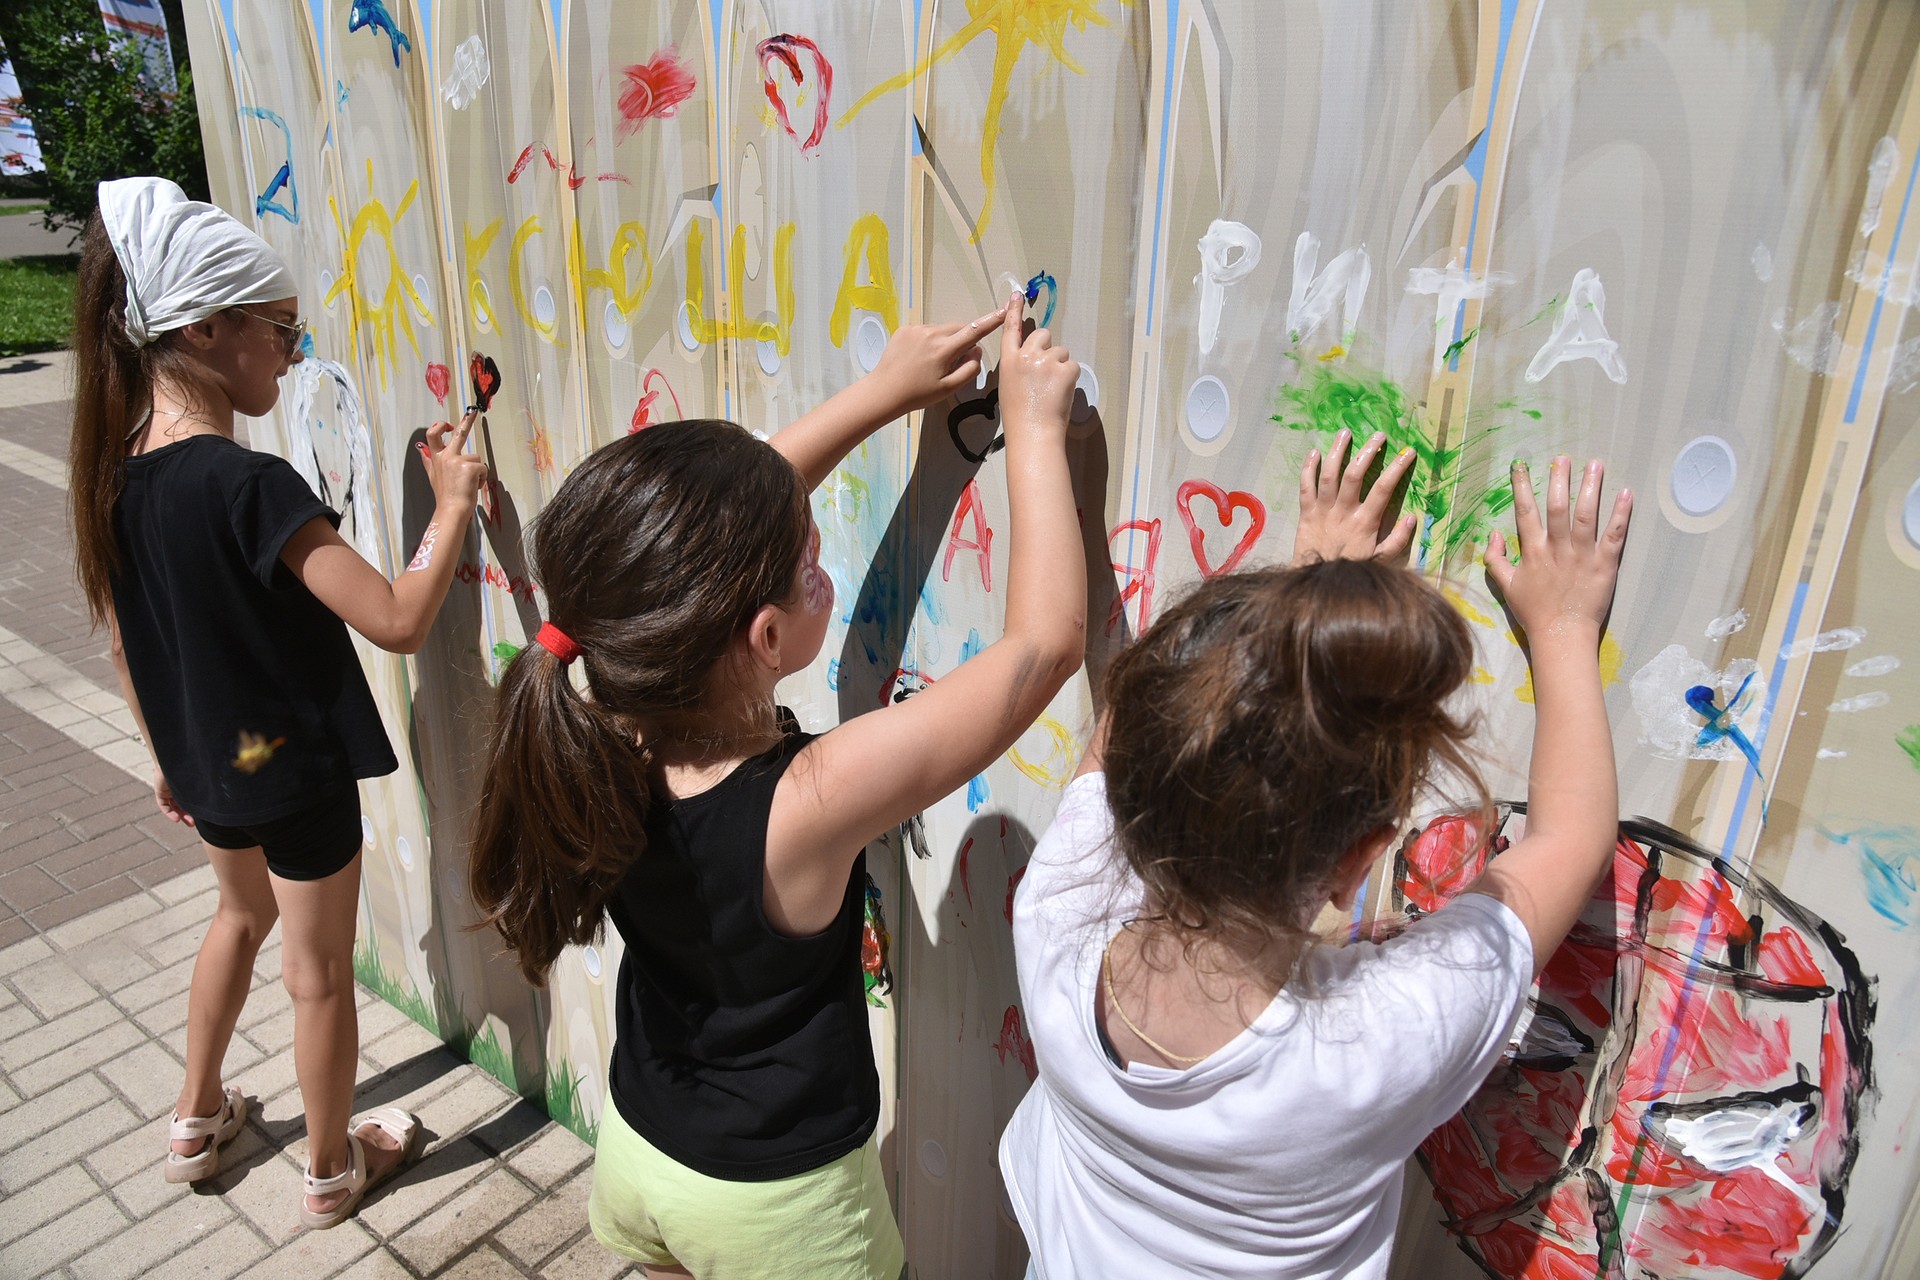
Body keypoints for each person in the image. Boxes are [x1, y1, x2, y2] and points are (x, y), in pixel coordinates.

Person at [467, 291, 1086, 1279]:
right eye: (807, 559)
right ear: (761, 636)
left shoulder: (610, 720)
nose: (817, 550)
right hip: (778, 1214)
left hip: (642, 1151)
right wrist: (1037, 425)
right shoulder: (808, 799)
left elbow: (690, 557)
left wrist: (882, 394)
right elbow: (1045, 646)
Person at [999, 435, 1634, 1278]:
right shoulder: (1375, 1045)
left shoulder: (1055, 910)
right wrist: (1560, 625)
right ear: (1358, 860)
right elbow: (1568, 840)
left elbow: (1120, 733)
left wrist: (1294, 606)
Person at [68, 177, 487, 1228]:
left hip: (211, 764)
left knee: (238, 914)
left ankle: (194, 1118)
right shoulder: (251, 488)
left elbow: (127, 639)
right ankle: (334, 1167)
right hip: (289, 772)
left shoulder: (115, 478)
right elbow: (393, 615)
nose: (292, 356)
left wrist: (165, 754)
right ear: (209, 328)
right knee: (317, 975)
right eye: (283, 333)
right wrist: (449, 507)